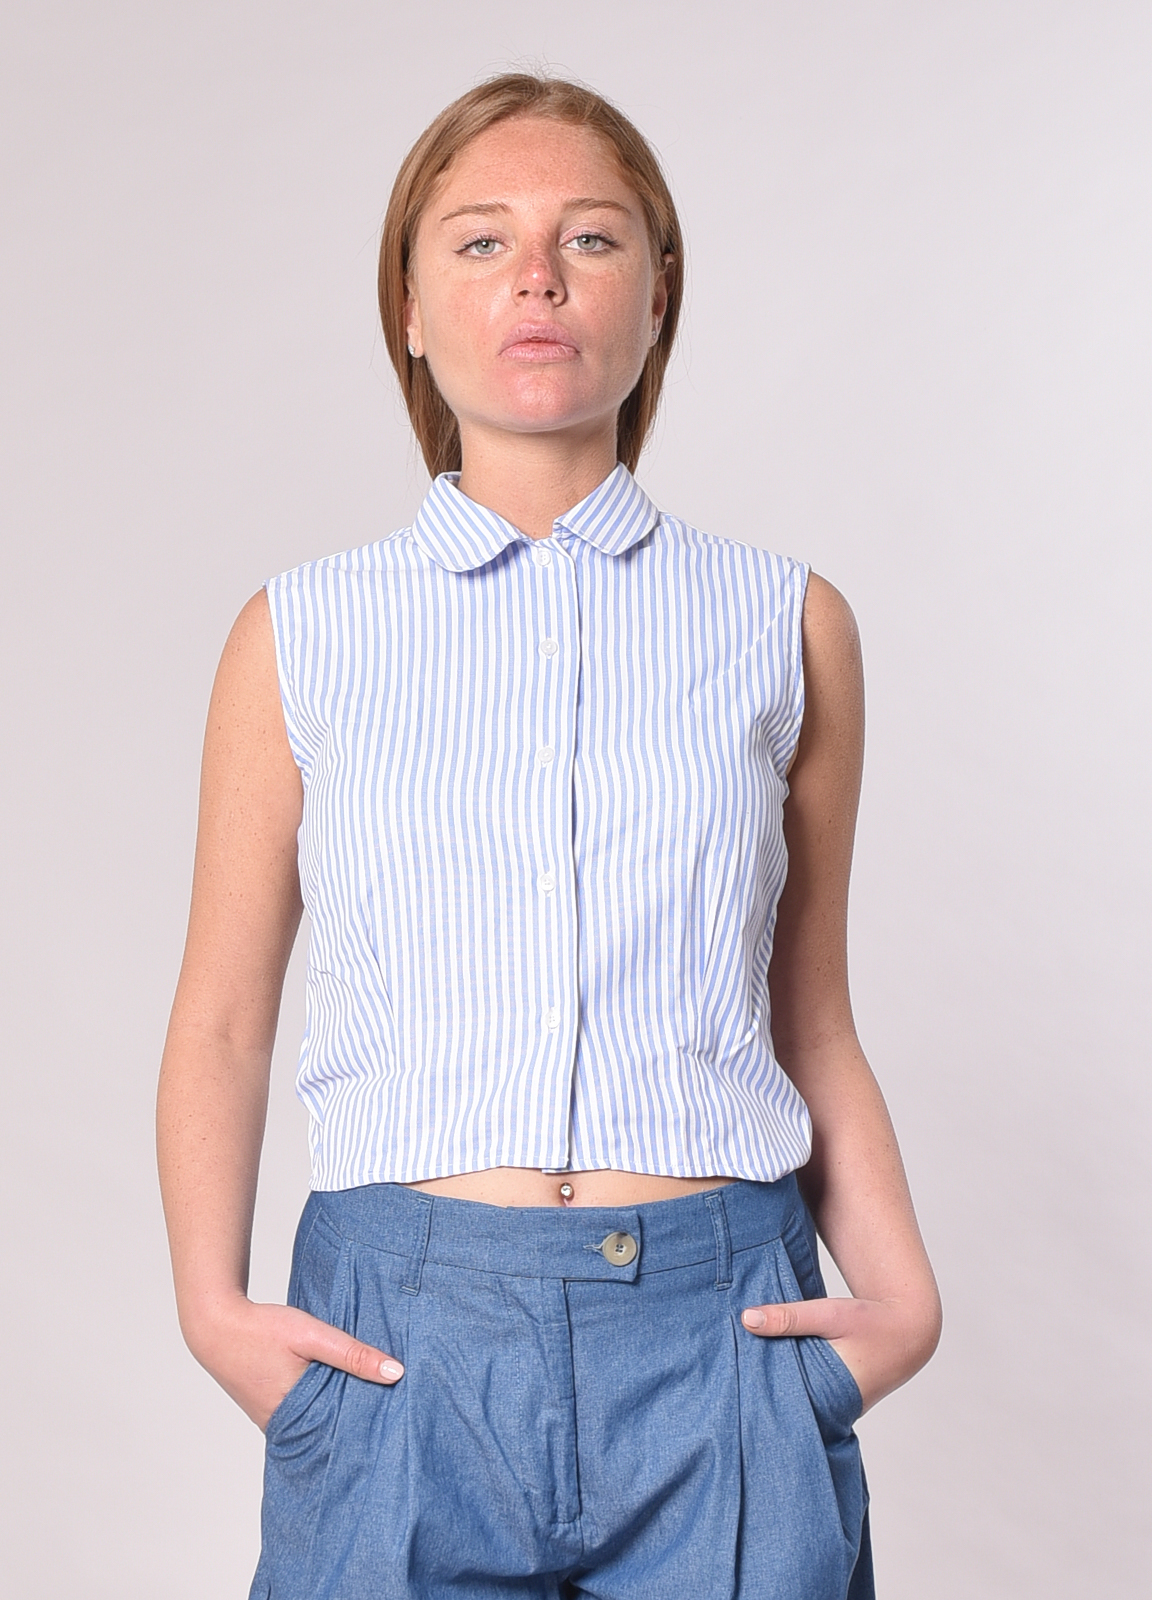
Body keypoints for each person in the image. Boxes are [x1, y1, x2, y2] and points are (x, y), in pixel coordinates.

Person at [156, 72, 942, 1600]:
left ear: (658, 294)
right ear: (408, 307)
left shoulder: (785, 624)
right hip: (402, 1336)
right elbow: (225, 1017)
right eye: (480, 240)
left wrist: (902, 1301)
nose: (536, 276)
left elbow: (809, 1016)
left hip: (718, 1336)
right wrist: (211, 1308)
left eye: (588, 238)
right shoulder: (301, 634)